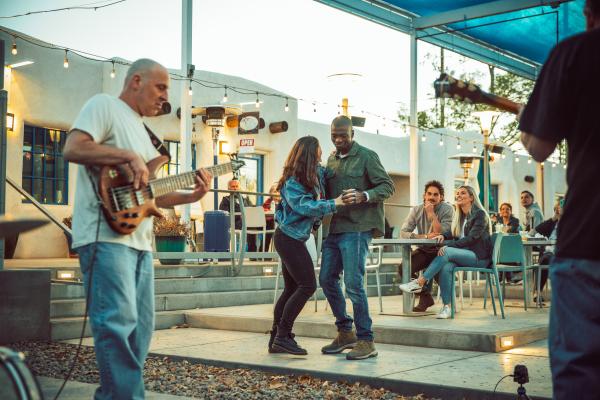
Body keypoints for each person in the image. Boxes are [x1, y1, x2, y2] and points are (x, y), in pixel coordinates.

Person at [62, 59, 212, 399]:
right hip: (105, 236)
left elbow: (151, 191)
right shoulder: (104, 106)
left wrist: (194, 193)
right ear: (135, 81)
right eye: (160, 88)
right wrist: (123, 156)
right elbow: (72, 147)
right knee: (116, 324)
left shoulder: (149, 135)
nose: (164, 97)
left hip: (141, 241)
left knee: (140, 331)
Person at [519, 1, 600, 396]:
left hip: (590, 238)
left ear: (588, 11)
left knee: (580, 372)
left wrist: (532, 122)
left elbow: (537, 146)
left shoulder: (574, 53)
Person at [319, 115, 394, 360]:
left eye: (344, 135)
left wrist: (364, 195)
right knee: (327, 279)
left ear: (353, 134)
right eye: (334, 135)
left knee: (353, 283)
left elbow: (387, 187)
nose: (339, 139)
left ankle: (366, 340)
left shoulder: (367, 156)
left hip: (358, 228)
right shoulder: (330, 160)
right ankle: (345, 332)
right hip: (335, 228)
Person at [269, 136, 344, 355]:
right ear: (311, 153)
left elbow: (327, 173)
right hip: (288, 238)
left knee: (291, 288)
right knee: (307, 285)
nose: (322, 153)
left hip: (294, 238)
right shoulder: (293, 181)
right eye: (319, 151)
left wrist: (335, 160)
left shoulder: (313, 174)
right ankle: (283, 336)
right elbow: (304, 206)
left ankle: (276, 339)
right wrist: (334, 203)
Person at [399, 186, 492, 319]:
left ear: (471, 197)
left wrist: (449, 245)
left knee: (446, 252)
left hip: (478, 256)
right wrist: (444, 236)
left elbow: (472, 238)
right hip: (464, 253)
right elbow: (454, 232)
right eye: (457, 193)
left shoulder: (480, 214)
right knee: (446, 267)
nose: (459, 195)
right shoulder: (461, 215)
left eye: (463, 193)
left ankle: (419, 282)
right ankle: (447, 307)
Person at [399, 180, 454, 312]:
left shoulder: (448, 209)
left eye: (436, 194)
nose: (432, 197)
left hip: (442, 251)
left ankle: (449, 304)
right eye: (429, 194)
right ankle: (425, 297)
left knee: (442, 275)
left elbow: (441, 233)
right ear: (424, 195)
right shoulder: (417, 209)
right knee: (404, 268)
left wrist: (431, 214)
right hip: (424, 249)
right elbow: (403, 232)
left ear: (441, 197)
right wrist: (423, 236)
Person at [530, 200, 563, 303]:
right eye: (560, 207)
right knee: (545, 259)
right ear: (557, 210)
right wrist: (554, 219)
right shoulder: (552, 223)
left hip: (566, 252)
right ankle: (537, 292)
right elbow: (534, 231)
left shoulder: (574, 222)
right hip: (550, 251)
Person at [219, 179, 257, 253]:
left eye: (237, 186)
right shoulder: (226, 200)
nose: (235, 188)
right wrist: (240, 217)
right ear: (228, 188)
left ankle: (254, 253)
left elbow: (252, 209)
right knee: (249, 223)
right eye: (233, 186)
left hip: (246, 223)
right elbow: (224, 216)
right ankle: (252, 253)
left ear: (239, 188)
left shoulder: (245, 200)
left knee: (264, 225)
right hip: (233, 223)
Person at [262, 183, 280, 252]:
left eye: (278, 191)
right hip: (269, 222)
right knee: (267, 233)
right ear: (271, 193)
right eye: (275, 191)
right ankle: (264, 252)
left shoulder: (283, 202)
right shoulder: (268, 202)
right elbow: (263, 209)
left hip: (279, 223)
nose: (277, 193)